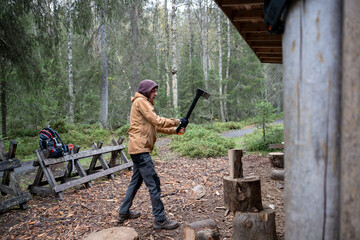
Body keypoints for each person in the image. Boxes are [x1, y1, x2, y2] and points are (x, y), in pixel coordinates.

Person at [118, 79, 188, 230]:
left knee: (135, 183)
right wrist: (176, 121)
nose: (155, 94)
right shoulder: (141, 102)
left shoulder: (143, 103)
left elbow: (154, 127)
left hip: (137, 149)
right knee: (154, 184)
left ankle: (123, 212)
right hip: (140, 150)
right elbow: (156, 120)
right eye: (153, 91)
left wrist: (175, 130)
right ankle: (160, 219)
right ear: (146, 91)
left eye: (156, 91)